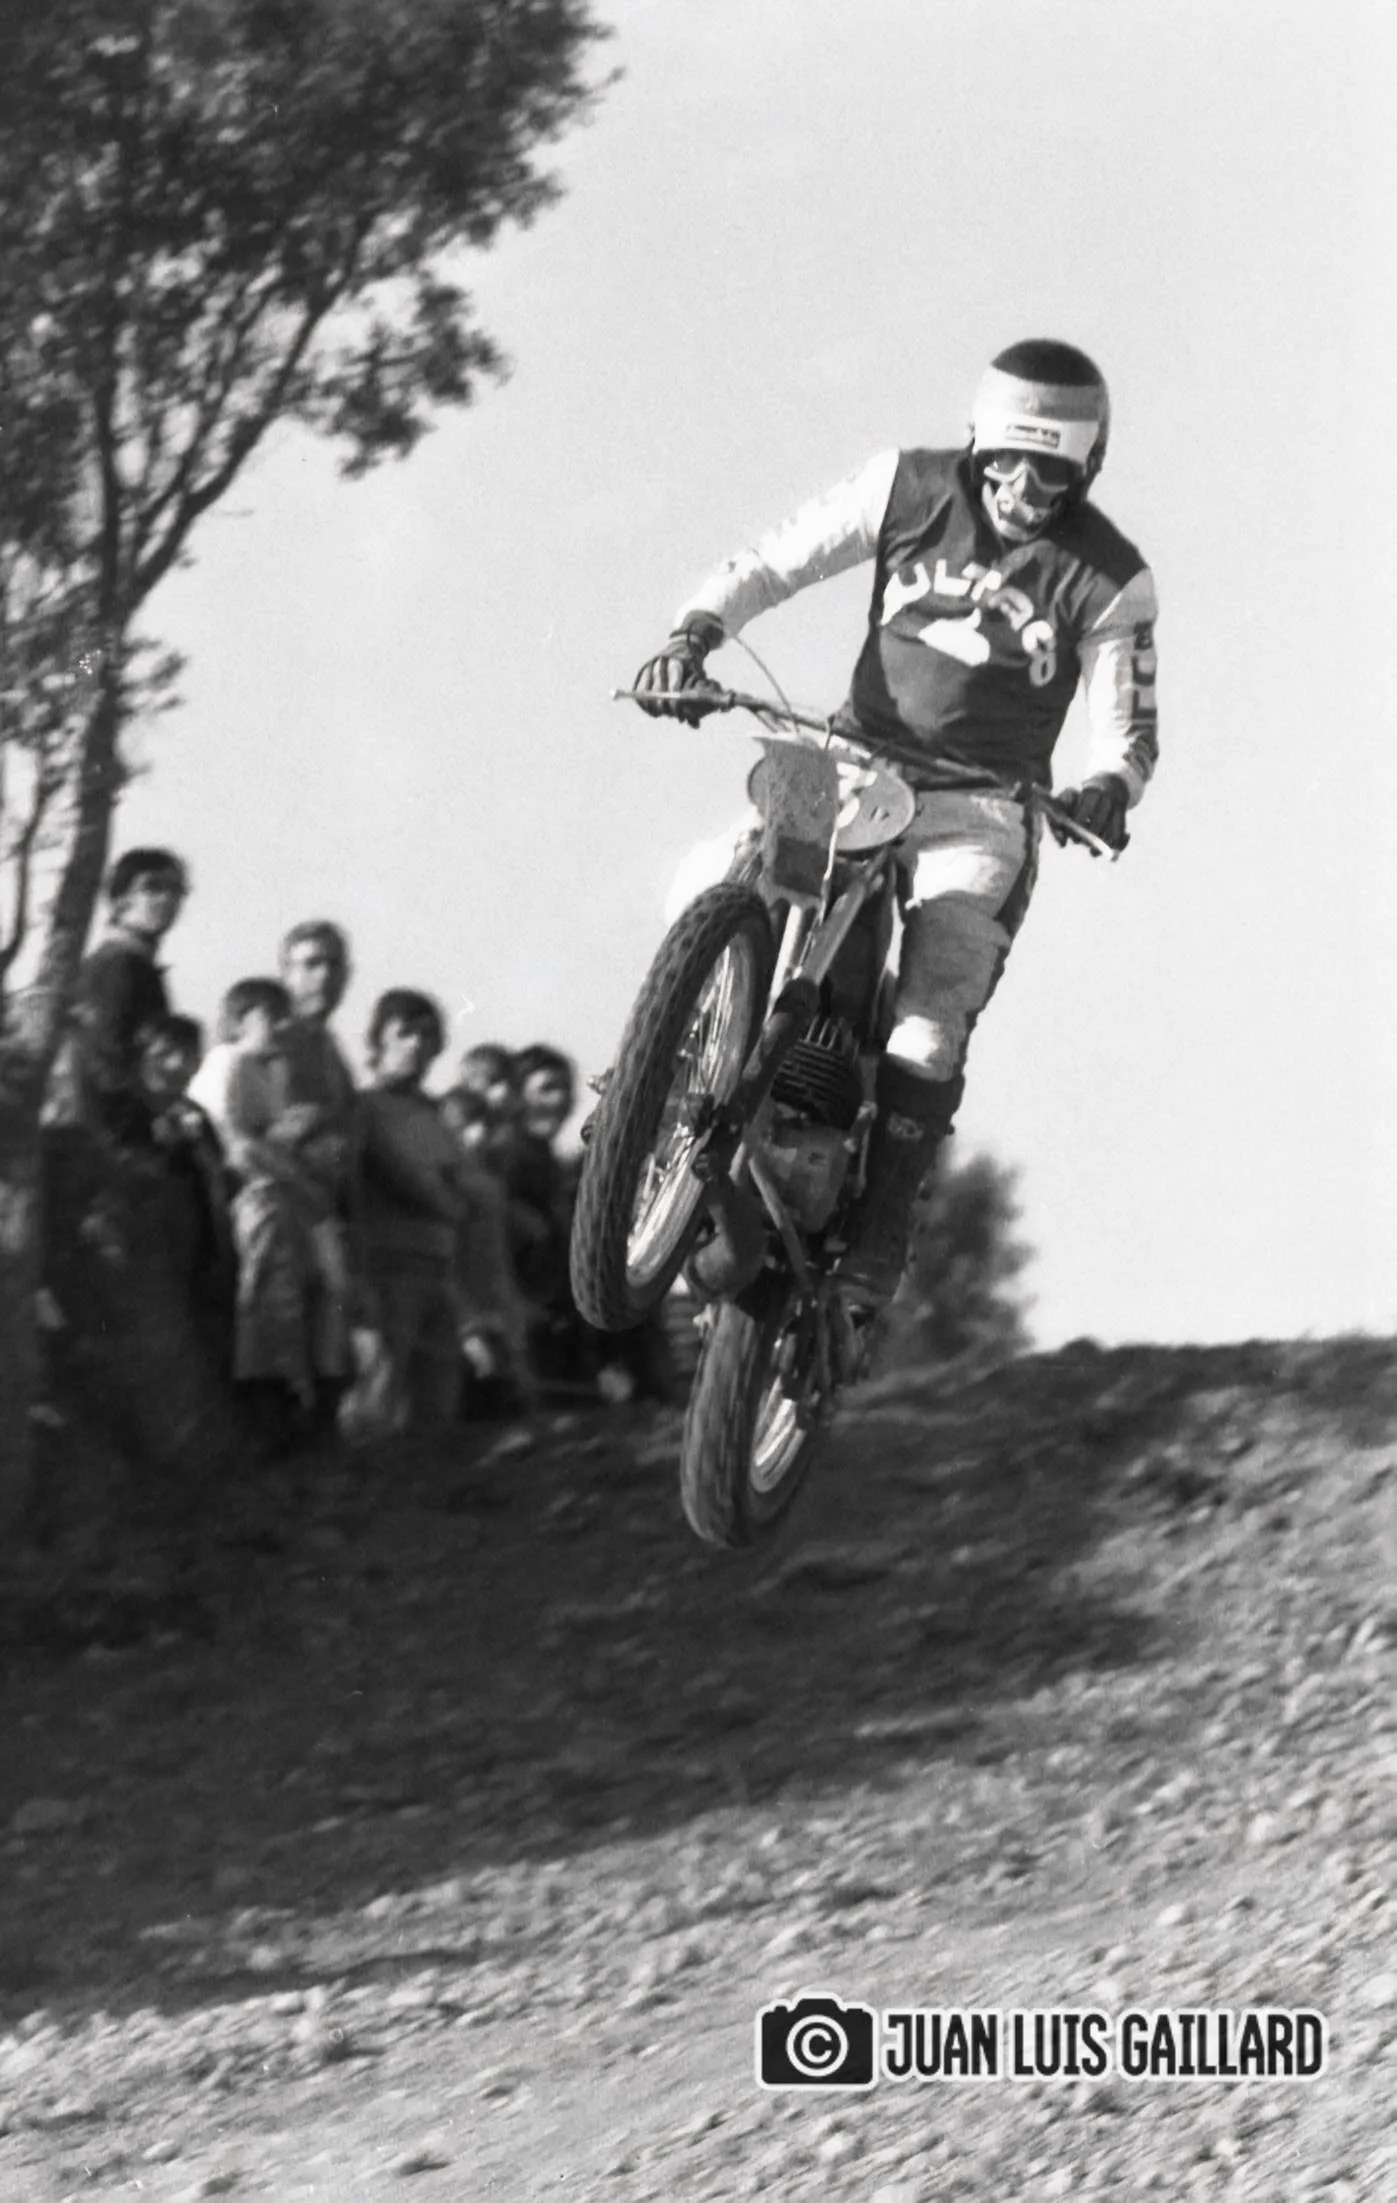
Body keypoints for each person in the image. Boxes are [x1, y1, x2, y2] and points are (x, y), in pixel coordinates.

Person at [634, 338, 1159, 1308]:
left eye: (1049, 472)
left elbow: (1124, 726)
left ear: (1086, 468)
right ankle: (653, 1087)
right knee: (717, 868)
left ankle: (876, 1230)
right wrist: (693, 632)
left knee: (932, 1008)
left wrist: (1105, 788)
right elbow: (778, 558)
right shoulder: (905, 488)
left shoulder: (1110, 577)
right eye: (1006, 461)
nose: (1023, 489)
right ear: (977, 444)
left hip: (983, 807)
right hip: (853, 758)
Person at [189, 977, 338, 1442]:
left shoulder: (267, 1071)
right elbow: (234, 1145)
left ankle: (307, 1391)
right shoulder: (227, 1062)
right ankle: (269, 1393)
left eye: (284, 1016)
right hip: (253, 1194)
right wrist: (295, 1176)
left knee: (315, 1289)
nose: (281, 1025)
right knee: (270, 1289)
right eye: (270, 1016)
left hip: (283, 1191)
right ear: (239, 1020)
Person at [354, 989, 474, 1434]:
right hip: (387, 1264)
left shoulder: (434, 1111)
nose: (416, 1045)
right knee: (381, 1394)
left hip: (439, 1264)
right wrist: (449, 1204)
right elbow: (401, 1177)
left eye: (426, 1035)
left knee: (437, 1401)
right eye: (404, 1033)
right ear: (378, 1039)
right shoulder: (365, 1106)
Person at [275, 920, 359, 1427]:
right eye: (308, 964)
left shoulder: (330, 1049)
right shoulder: (276, 1039)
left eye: (330, 964)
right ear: (285, 973)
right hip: (285, 1201)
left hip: (327, 1207)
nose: (320, 976)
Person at [64, 848, 190, 1146]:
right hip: (113, 1135)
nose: (167, 898)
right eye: (153, 887)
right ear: (120, 899)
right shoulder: (119, 966)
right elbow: (107, 1059)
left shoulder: (133, 964)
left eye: (176, 889)